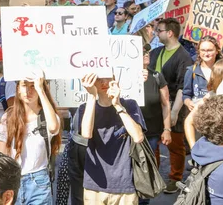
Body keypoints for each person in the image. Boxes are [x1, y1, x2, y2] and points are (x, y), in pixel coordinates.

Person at [79, 73, 145, 204]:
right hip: (95, 184)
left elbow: (138, 137)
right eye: (98, 79)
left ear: (115, 79)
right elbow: (86, 134)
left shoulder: (130, 105)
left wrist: (118, 105)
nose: (103, 82)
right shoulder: (85, 108)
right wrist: (92, 96)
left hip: (124, 184)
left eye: (108, 77)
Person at [0, 73, 61, 205]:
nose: (28, 91)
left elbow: (54, 127)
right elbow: (1, 154)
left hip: (38, 182)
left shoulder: (46, 116)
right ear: (18, 89)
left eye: (33, 87)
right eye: (24, 85)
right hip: (12, 180)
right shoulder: (8, 116)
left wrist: (41, 89)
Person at [148, 18, 193, 193]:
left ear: (170, 33)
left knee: (175, 144)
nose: (156, 33)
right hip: (154, 104)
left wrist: (174, 112)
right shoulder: (156, 51)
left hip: (175, 104)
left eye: (159, 30)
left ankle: (175, 178)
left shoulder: (184, 57)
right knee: (154, 140)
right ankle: (154, 176)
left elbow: (183, 86)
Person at [139, 43, 171, 167]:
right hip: (129, 133)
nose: (146, 54)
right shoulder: (124, 78)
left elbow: (165, 104)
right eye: (142, 52)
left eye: (147, 52)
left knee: (150, 165)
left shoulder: (156, 76)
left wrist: (167, 129)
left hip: (151, 133)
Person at [183, 36, 223, 111]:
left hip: (218, 114)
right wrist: (189, 103)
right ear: (199, 51)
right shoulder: (192, 70)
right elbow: (186, 95)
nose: (206, 53)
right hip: (199, 115)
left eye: (210, 50)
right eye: (203, 50)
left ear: (217, 51)